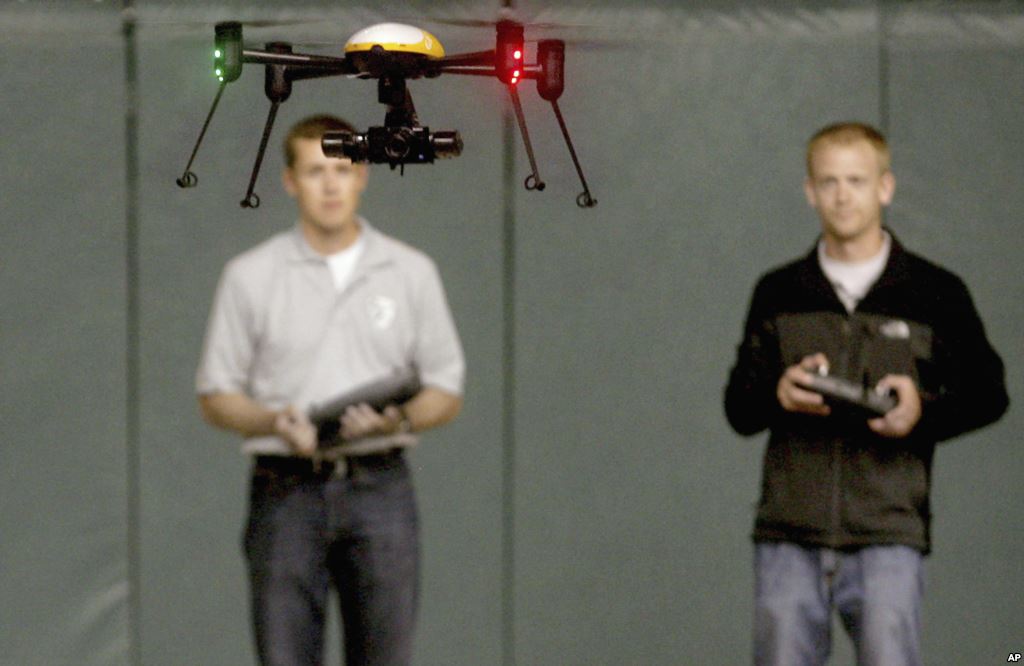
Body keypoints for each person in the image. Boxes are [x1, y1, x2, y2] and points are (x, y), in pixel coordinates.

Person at [724, 121, 1008, 666]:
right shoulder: (779, 290)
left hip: (888, 533)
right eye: (828, 181)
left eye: (856, 179)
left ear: (885, 187)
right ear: (809, 191)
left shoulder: (936, 292)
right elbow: (738, 407)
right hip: (790, 532)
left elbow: (990, 394)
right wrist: (778, 391)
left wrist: (921, 412)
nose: (842, 194)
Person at [196, 114, 465, 666]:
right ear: (290, 181)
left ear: (363, 174)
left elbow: (445, 388)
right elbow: (216, 394)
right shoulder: (251, 275)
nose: (330, 184)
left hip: (380, 487)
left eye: (341, 169)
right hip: (286, 490)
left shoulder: (410, 271)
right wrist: (274, 420)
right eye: (315, 170)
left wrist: (399, 420)